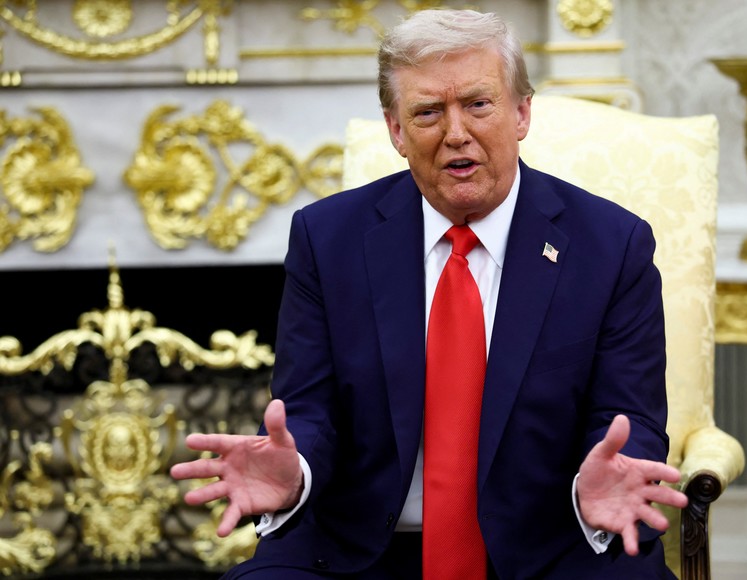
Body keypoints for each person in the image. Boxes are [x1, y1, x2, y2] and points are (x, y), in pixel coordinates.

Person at [171, 8, 688, 579]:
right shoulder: (327, 239)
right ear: (396, 130)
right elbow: (310, 411)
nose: (456, 133)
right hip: (364, 550)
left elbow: (629, 417)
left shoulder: (611, 247)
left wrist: (601, 482)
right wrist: (297, 474)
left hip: (552, 544)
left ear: (521, 113)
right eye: (427, 112)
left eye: (478, 103)